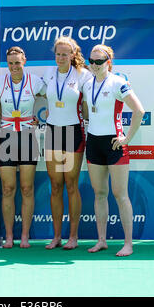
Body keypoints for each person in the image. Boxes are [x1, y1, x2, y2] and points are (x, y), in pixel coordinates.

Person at [82, 44, 145, 257]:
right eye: (91, 61)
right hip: (93, 143)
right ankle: (101, 240)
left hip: (114, 144)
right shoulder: (87, 84)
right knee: (99, 193)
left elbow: (139, 111)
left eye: (99, 61)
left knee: (120, 194)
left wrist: (127, 138)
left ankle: (128, 243)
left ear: (109, 62)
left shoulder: (119, 82)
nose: (94, 65)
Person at [41, 36, 92, 250]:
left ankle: (73, 236)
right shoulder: (48, 74)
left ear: (73, 55)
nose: (61, 57)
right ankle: (56, 236)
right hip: (52, 132)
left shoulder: (83, 75)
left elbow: (91, 103)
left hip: (73, 132)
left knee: (71, 185)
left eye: (65, 54)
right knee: (55, 186)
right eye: (58, 54)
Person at [0, 46, 44, 248]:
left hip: (28, 137)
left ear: (24, 61)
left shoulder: (35, 82)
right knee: (7, 189)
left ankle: (24, 235)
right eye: (11, 63)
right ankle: (8, 236)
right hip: (6, 137)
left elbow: (57, 97)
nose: (14, 66)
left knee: (26, 188)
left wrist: (42, 117)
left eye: (17, 62)